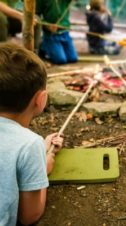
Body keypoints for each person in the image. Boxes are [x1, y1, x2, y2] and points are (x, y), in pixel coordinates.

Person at [0, 42, 64, 226]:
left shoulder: (29, 145)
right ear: (41, 99)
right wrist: (43, 164)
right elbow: (30, 215)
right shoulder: (28, 144)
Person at [36, 0, 78, 64]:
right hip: (51, 34)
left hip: (64, 32)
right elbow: (36, 16)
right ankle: (43, 46)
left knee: (73, 59)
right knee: (61, 60)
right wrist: (46, 25)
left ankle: (52, 47)